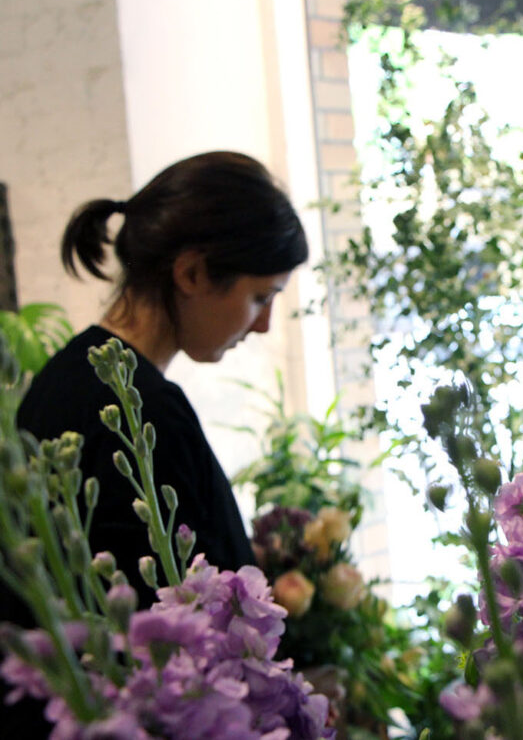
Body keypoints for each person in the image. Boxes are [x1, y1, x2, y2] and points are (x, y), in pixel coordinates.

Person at [2, 150, 309, 735]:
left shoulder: (63, 380)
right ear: (191, 273)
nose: (265, 323)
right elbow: (158, 658)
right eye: (260, 296)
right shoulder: (140, 410)